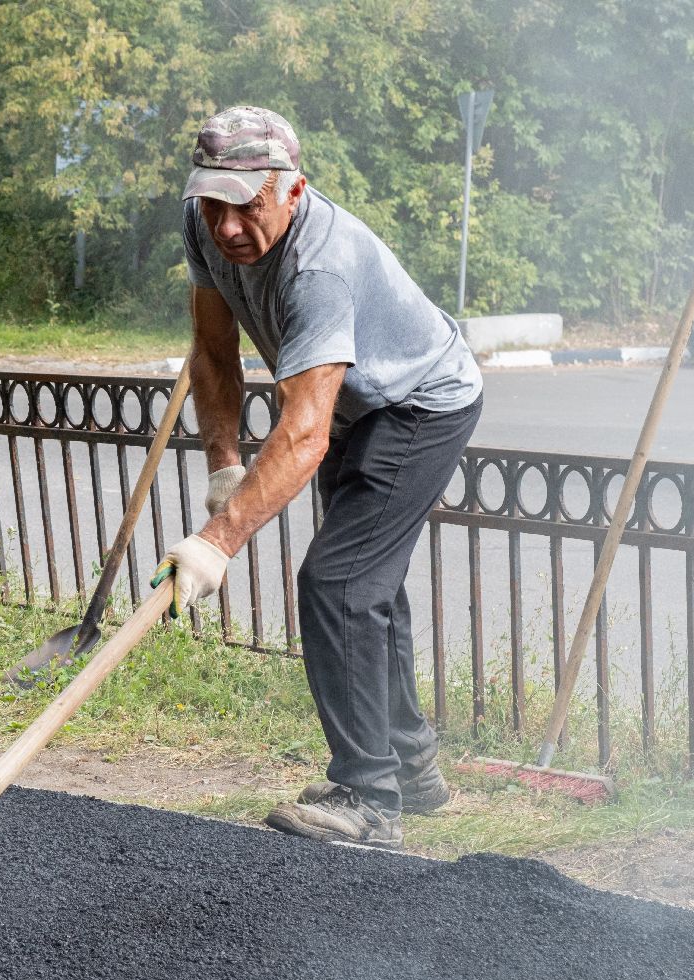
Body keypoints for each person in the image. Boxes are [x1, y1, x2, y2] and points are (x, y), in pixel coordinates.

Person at [151, 105, 484, 850]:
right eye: (213, 205)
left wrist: (217, 541)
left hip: (419, 404)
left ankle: (368, 797)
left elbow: (302, 433)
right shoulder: (204, 226)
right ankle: (411, 765)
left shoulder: (320, 266)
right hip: (352, 409)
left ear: (292, 192)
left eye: (248, 207)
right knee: (368, 587)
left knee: (338, 583)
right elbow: (213, 349)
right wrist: (224, 466)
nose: (228, 226)